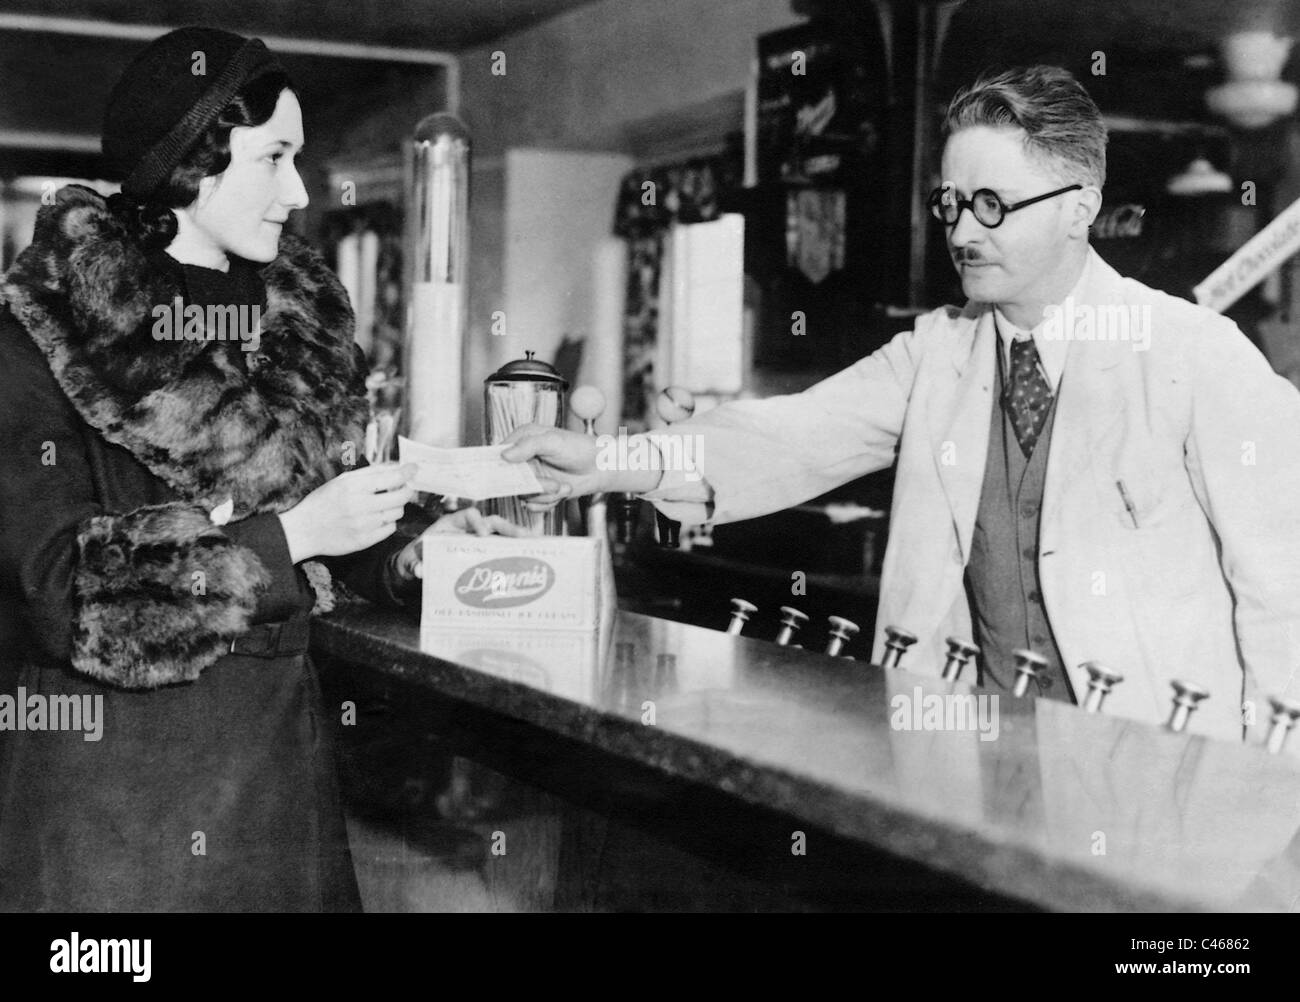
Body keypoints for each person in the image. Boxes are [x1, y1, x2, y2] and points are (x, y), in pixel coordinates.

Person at [504, 65, 1300, 749]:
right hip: (970, 758)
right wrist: (612, 460)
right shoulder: (937, 351)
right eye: (950, 203)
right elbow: (789, 438)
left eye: (993, 203)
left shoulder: (1196, 355)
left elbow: (1284, 596)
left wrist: (1269, 803)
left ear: (1079, 207)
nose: (962, 230)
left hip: (1160, 772)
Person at [0, 26, 520, 912]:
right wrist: (294, 538)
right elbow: (63, 593)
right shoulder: (38, 338)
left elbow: (319, 513)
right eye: (275, 157)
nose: (301, 190)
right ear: (192, 160)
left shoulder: (298, 332)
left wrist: (409, 552)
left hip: (278, 775)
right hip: (115, 802)